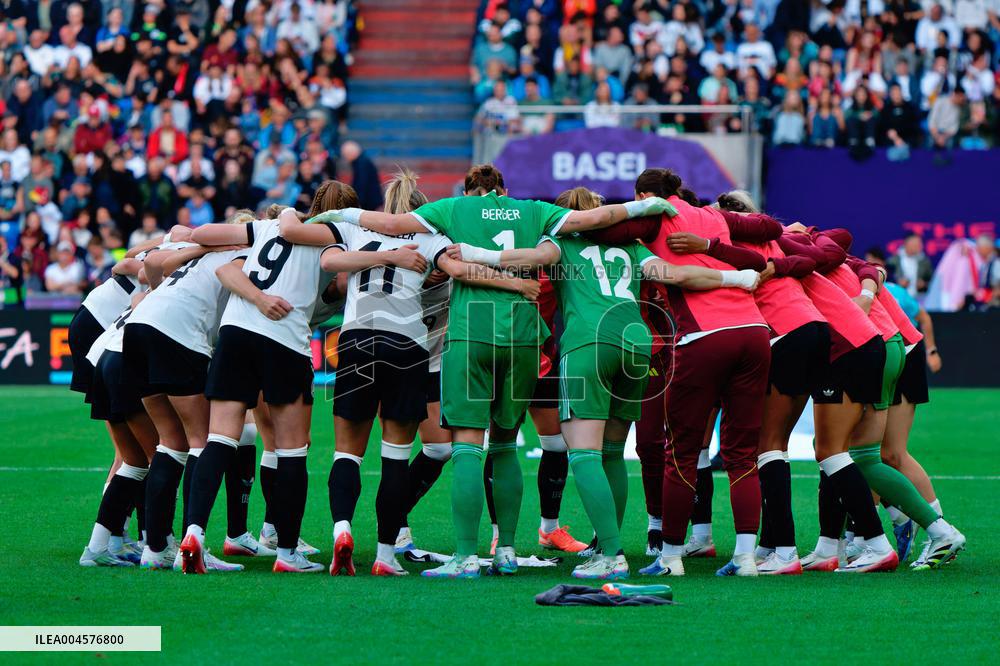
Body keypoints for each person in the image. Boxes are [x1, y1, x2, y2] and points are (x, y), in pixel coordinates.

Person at [310, 163, 676, 578]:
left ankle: (466, 556)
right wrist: (645, 206)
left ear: (469, 190)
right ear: (503, 188)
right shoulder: (533, 210)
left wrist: (339, 215)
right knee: (505, 445)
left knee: (467, 444)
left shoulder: (454, 210)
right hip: (524, 334)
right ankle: (506, 549)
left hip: (473, 330)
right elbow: (596, 217)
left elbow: (391, 222)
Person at [455, 186, 760, 579]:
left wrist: (474, 256)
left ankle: (611, 554)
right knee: (614, 452)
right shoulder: (632, 247)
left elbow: (527, 258)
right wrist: (736, 278)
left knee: (583, 453)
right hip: (636, 344)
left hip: (589, 344)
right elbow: (677, 275)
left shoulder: (559, 243)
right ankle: (606, 544)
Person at [285, 173, 538, 577]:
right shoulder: (431, 240)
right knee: (396, 457)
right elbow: (462, 271)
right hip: (408, 348)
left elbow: (326, 260)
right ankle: (387, 555)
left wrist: (284, 217)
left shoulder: (356, 228)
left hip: (356, 341)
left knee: (347, 452)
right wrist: (514, 284)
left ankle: (342, 529)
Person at [122, 214, 265, 571]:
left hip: (137, 328)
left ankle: (155, 548)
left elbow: (152, 265)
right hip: (179, 334)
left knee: (170, 442)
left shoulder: (201, 253)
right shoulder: (244, 257)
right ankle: (192, 543)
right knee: (203, 441)